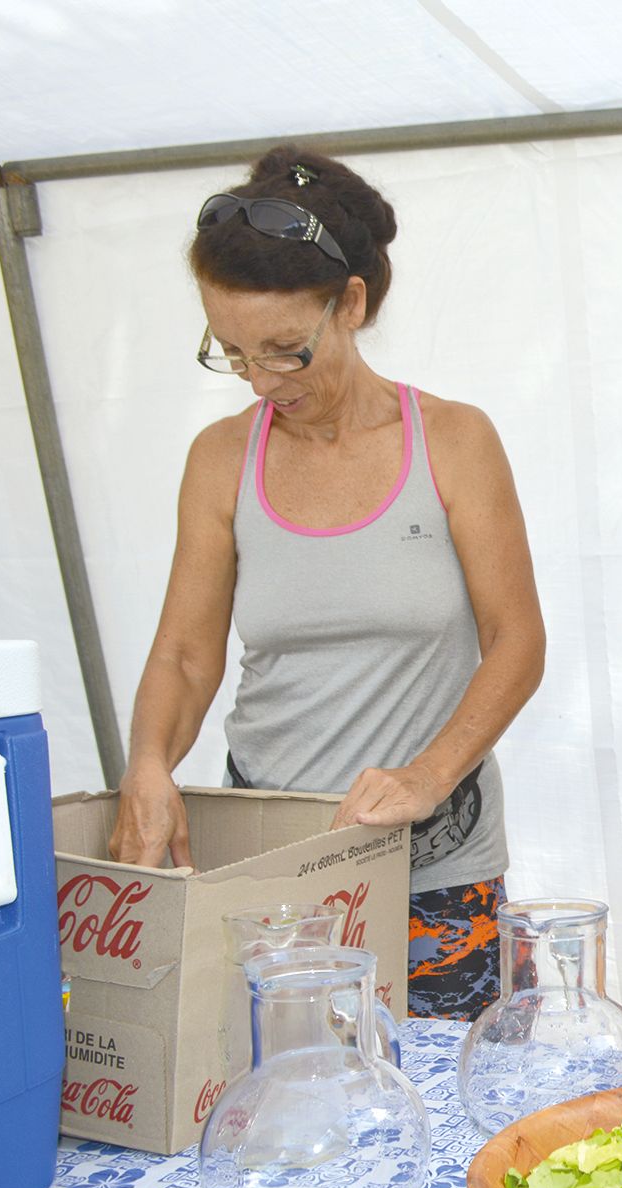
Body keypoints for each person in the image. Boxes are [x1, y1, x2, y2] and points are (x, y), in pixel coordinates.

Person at [108, 146, 545, 1021]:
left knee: (442, 1110)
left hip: (435, 867)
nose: (263, 382)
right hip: (269, 860)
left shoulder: (453, 441)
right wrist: (147, 763)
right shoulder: (221, 459)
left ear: (350, 305)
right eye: (230, 353)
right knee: (282, 1099)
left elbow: (517, 642)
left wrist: (427, 775)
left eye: (285, 351)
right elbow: (188, 654)